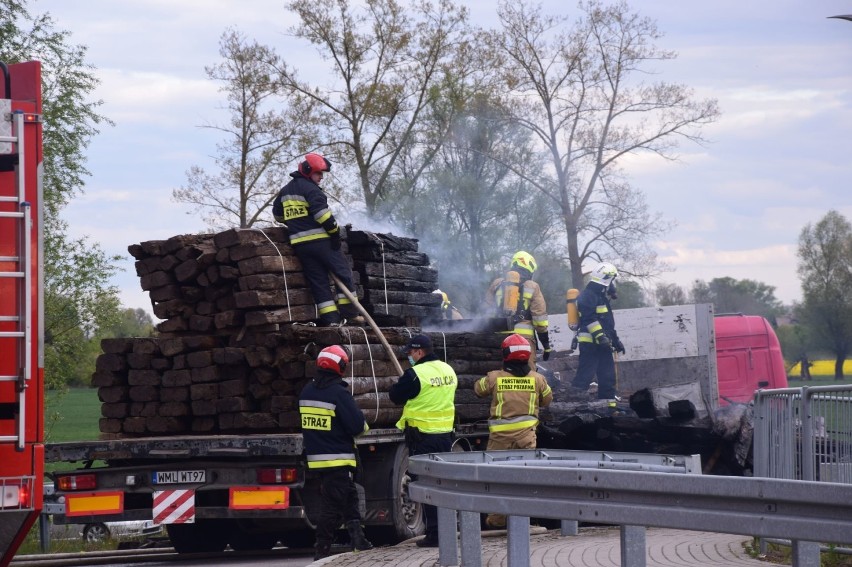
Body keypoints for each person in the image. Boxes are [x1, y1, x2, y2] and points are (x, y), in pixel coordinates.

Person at [298, 345, 373, 560]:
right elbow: (357, 426)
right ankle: (321, 551)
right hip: (338, 459)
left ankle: (359, 540)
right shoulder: (338, 393)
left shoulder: (307, 391)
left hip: (317, 459)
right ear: (339, 366)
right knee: (332, 508)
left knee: (349, 496)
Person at [272, 153, 362, 327]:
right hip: (322, 242)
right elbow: (323, 215)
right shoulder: (311, 190)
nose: (321, 177)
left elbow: (278, 215)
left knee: (318, 282)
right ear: (307, 171)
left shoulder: (285, 191)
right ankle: (350, 314)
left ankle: (331, 321)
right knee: (343, 274)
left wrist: (295, 221)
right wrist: (335, 233)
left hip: (300, 246)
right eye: (318, 173)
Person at [474, 333, 553, 528]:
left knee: (497, 478)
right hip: (526, 438)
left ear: (506, 354)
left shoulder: (494, 378)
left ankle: (498, 518)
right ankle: (523, 517)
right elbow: (547, 399)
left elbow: (478, 389)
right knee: (523, 479)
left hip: (499, 440)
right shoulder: (538, 379)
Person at [388, 334, 458, 548]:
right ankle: (448, 529)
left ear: (419, 352)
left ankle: (435, 534)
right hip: (445, 437)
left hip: (422, 438)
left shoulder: (416, 374)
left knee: (426, 486)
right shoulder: (449, 370)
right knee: (442, 484)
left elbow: (396, 396)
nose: (409, 357)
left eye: (410, 353)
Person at [486, 251, 551, 368]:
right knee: (528, 374)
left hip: (499, 338)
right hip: (523, 340)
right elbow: (540, 320)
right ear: (530, 268)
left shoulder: (497, 284)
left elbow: (487, 312)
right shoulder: (532, 286)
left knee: (501, 372)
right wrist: (546, 346)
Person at [570, 262, 625, 400]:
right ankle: (573, 403)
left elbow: (607, 324)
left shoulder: (601, 297)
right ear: (606, 278)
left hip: (603, 344)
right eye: (611, 280)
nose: (612, 284)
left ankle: (607, 407)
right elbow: (589, 318)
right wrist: (601, 337)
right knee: (585, 375)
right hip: (590, 344)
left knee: (608, 377)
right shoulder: (587, 295)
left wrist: (616, 341)